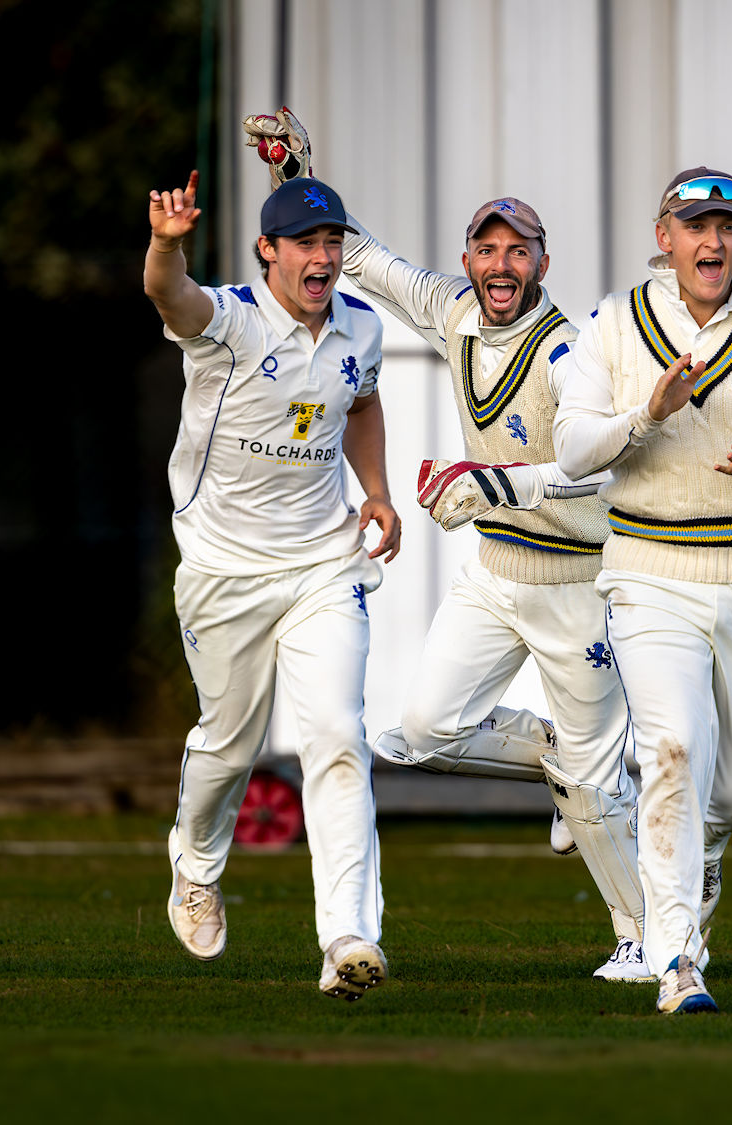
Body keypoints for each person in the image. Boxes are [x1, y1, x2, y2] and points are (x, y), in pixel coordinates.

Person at [239, 112, 648, 982]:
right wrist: (296, 175)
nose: (501, 267)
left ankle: (645, 938)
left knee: (601, 793)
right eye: (487, 250)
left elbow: (602, 471)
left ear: (543, 263)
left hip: (579, 583)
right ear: (469, 260)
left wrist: (491, 483)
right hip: (493, 578)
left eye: (519, 251)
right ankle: (558, 757)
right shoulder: (454, 310)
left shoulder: (572, 353)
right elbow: (360, 259)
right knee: (421, 732)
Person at [554, 168, 732, 1014]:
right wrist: (648, 412)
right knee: (672, 749)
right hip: (651, 571)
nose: (712, 242)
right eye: (694, 226)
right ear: (664, 236)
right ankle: (676, 957)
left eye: (725, 225)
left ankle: (703, 847)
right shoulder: (613, 321)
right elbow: (573, 450)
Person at [144, 168, 401, 1000]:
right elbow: (170, 296)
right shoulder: (231, 320)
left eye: (333, 242)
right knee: (230, 742)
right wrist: (164, 245)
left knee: (336, 735)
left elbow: (361, 405)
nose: (323, 257)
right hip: (223, 568)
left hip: (324, 563)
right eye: (307, 244)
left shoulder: (359, 329)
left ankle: (348, 937)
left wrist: (378, 492)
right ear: (269, 252)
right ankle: (195, 861)